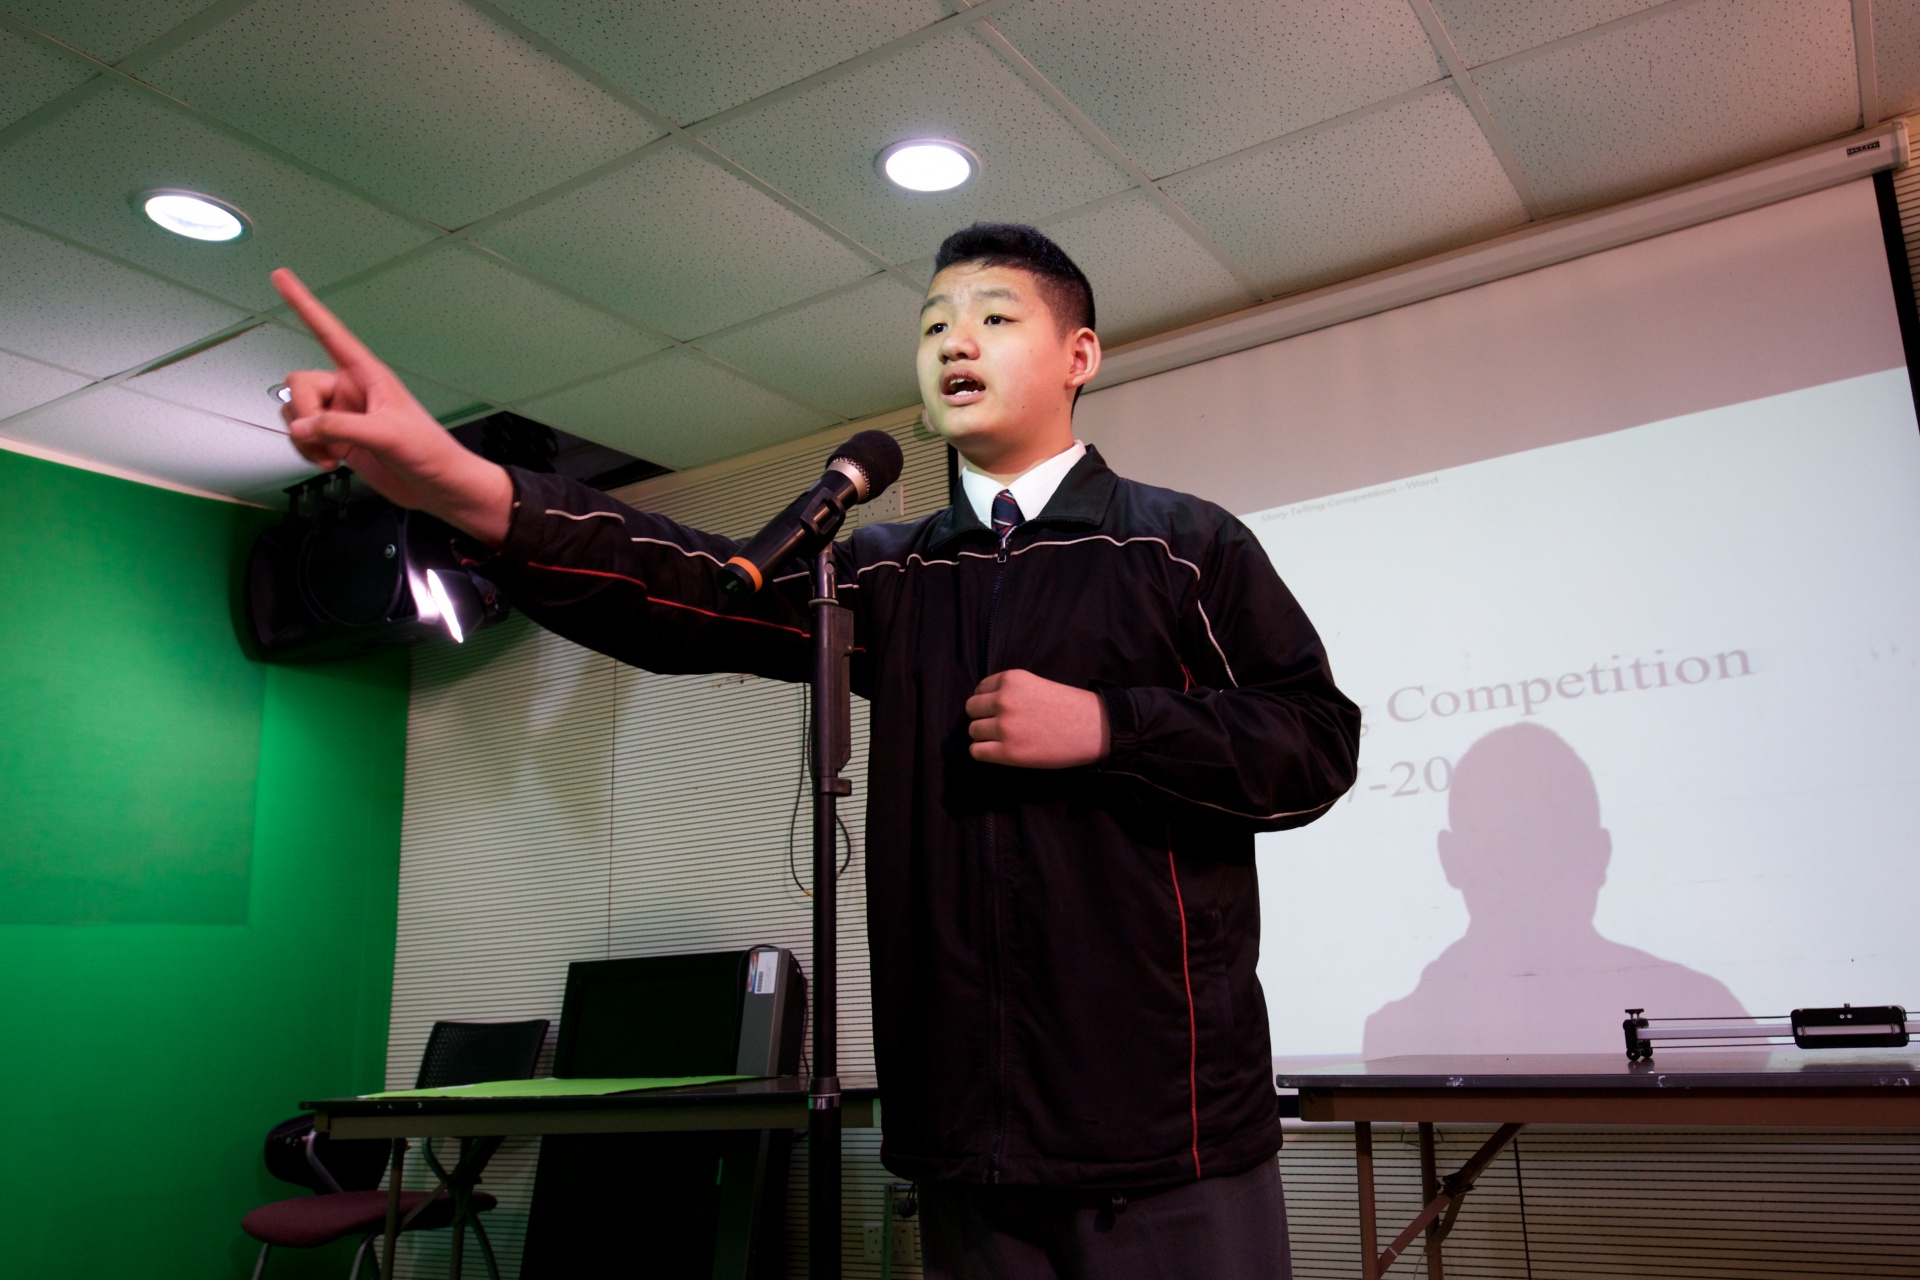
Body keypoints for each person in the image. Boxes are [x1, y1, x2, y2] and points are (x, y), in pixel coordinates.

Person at [272, 223, 1360, 1279]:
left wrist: (1113, 726)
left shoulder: (1182, 545)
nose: (955, 341)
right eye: (932, 324)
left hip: (1170, 1139)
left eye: (994, 317)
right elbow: (694, 591)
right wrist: (452, 479)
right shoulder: (884, 570)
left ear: (1079, 356)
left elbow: (1315, 740)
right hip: (964, 1145)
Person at [1364, 722, 1746, 1057]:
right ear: (1452, 858)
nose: (1524, 862)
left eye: (1549, 834)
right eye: (1501, 836)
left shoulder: (1703, 1009)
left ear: (1599, 854)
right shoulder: (1396, 1034)